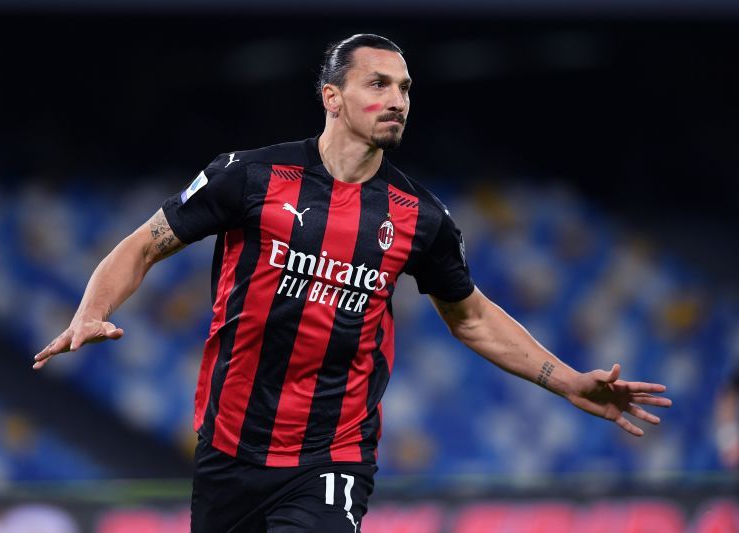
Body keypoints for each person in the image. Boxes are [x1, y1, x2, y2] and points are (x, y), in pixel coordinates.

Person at [33, 34, 672, 532]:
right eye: (378, 84)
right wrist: (92, 310)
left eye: (404, 87)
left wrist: (568, 383)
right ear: (332, 97)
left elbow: (470, 316)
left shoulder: (421, 219)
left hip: (330, 455)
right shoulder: (248, 178)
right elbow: (145, 244)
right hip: (227, 445)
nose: (397, 99)